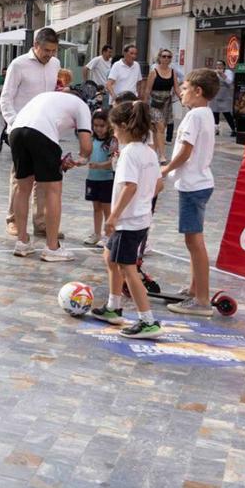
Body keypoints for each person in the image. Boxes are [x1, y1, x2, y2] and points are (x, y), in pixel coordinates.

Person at [89, 100, 164, 339]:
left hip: (128, 222)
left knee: (128, 269)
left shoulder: (129, 154)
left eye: (114, 128)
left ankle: (147, 320)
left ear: (123, 126)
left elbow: (129, 186)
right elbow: (157, 184)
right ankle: (113, 306)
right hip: (140, 218)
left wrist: (113, 216)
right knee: (109, 256)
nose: (113, 132)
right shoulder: (148, 152)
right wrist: (143, 203)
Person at [159, 69, 219, 316]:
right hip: (199, 182)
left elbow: (185, 151)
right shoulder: (205, 114)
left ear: (198, 91)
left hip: (194, 185)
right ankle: (195, 289)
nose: (181, 93)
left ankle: (202, 299)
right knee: (194, 241)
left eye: (184, 88)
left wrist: (165, 170)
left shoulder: (195, 117)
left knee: (194, 242)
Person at [8, 91, 93, 261]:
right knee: (52, 190)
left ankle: (22, 242)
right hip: (42, 133)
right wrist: (81, 160)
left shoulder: (48, 97)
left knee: (22, 188)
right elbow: (86, 144)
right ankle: (52, 247)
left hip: (16, 132)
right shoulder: (81, 105)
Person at [0, 27, 61, 237]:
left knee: (43, 178)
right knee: (20, 177)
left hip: (46, 129)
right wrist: (15, 123)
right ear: (36, 45)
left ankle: (41, 221)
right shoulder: (18, 65)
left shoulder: (55, 64)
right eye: (46, 50)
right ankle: (13, 219)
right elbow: (6, 98)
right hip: (22, 129)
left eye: (53, 51)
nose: (50, 55)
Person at [142, 49, 181, 164]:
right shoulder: (154, 72)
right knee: (160, 128)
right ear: (159, 57)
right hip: (154, 103)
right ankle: (162, 156)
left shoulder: (173, 72)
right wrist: (144, 105)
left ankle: (153, 154)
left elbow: (177, 88)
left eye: (169, 57)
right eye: (164, 56)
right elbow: (148, 90)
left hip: (166, 103)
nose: (166, 59)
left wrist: (182, 99)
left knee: (157, 130)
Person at [84, 110, 116, 247]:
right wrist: (78, 162)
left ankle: (108, 235)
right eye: (95, 125)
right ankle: (97, 234)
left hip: (107, 179)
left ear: (109, 125)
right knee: (96, 207)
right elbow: (86, 156)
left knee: (106, 208)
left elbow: (113, 162)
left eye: (101, 126)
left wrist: (99, 165)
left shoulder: (112, 141)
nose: (98, 129)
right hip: (92, 178)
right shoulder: (91, 139)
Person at [212, 60, 236, 136]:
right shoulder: (214, 73)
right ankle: (216, 129)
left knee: (227, 113)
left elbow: (229, 81)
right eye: (217, 65)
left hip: (225, 95)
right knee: (215, 112)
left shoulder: (228, 72)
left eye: (220, 64)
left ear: (224, 66)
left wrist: (222, 74)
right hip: (216, 94)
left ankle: (233, 129)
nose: (218, 66)